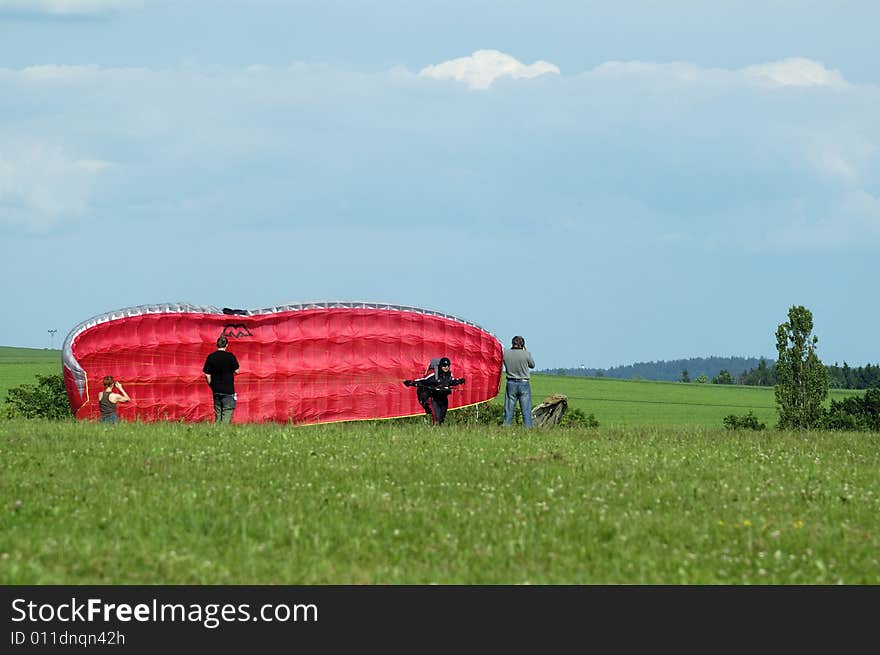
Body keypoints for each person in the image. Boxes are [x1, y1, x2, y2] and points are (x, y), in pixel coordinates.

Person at [403, 357, 465, 425]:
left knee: (442, 420)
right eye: (444, 365)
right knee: (437, 419)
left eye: (448, 365)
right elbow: (423, 381)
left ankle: (439, 432)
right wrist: (411, 383)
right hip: (435, 399)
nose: (446, 367)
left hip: (444, 400)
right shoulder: (434, 375)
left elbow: (452, 381)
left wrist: (459, 381)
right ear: (440, 366)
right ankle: (434, 430)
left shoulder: (449, 375)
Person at [203, 335, 240, 423]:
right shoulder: (230, 356)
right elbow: (237, 371)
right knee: (227, 411)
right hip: (228, 390)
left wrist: (211, 385)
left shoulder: (211, 357)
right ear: (226, 345)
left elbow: (207, 374)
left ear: (217, 345)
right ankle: (224, 432)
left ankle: (216, 432)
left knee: (218, 413)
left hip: (216, 389)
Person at [503, 335, 535, 427]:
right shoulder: (526, 354)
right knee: (526, 409)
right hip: (524, 382)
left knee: (509, 408)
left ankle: (506, 426)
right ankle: (528, 427)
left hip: (510, 383)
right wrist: (525, 351)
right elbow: (532, 365)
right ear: (522, 344)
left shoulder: (506, 353)